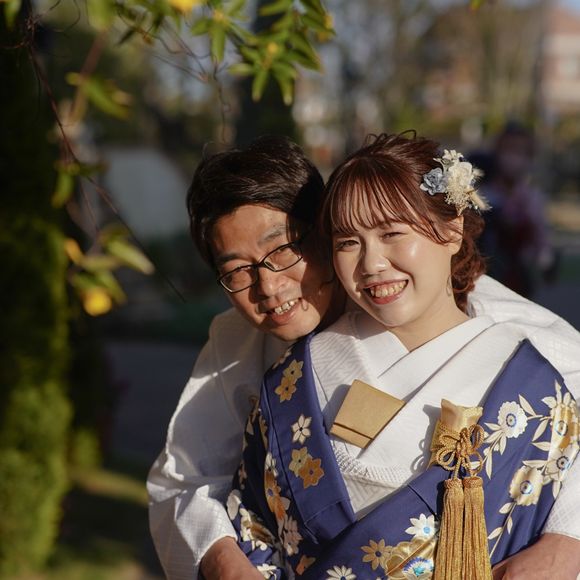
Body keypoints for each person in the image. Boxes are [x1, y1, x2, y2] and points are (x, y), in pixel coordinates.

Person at [147, 135, 580, 579]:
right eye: (237, 271)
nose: (269, 287)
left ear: (319, 234)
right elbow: (184, 478)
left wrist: (567, 542)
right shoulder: (240, 342)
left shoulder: (509, 335)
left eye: (282, 251)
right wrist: (228, 567)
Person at [479, 122, 556, 297]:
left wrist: (545, 260)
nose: (513, 158)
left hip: (519, 282)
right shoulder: (482, 194)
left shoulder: (532, 198)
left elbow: (541, 240)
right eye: (509, 149)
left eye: (521, 151)